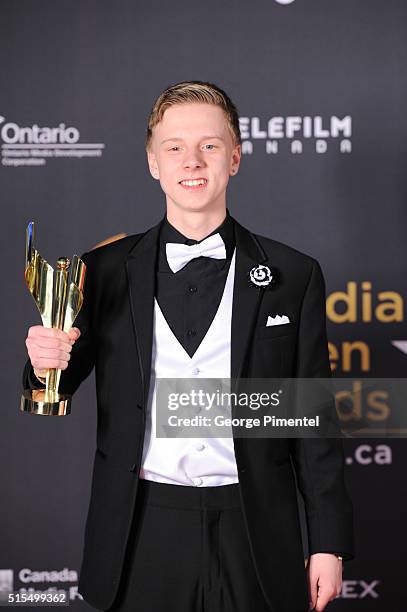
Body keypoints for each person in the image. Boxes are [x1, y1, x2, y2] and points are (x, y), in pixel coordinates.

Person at [23, 81, 354, 612]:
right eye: (174, 147)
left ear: (236, 157)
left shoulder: (294, 274)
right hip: (141, 526)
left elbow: (312, 420)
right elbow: (55, 381)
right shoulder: (99, 272)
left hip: (255, 527)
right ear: (153, 162)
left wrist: (328, 542)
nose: (192, 161)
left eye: (210, 145)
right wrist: (43, 364)